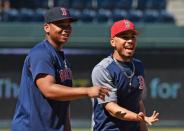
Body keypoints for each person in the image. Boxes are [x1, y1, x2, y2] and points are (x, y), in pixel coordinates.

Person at [11, 7, 110, 131]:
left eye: (68, 26)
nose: (66, 30)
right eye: (60, 25)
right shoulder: (41, 53)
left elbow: (64, 101)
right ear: (47, 27)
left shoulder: (62, 59)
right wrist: (87, 91)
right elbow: (48, 90)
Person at [91, 19, 159, 131]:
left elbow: (138, 101)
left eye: (132, 37)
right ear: (113, 42)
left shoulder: (138, 66)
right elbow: (111, 108)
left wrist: (143, 126)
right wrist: (137, 118)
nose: (130, 40)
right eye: (124, 37)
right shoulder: (103, 69)